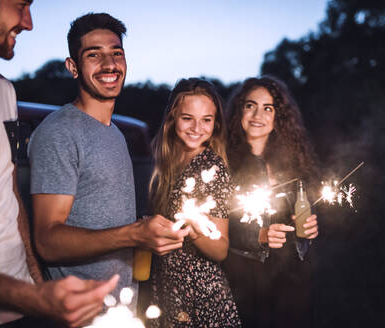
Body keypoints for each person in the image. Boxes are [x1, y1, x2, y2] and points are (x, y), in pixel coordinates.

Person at [0, 1, 119, 327]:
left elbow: (10, 194)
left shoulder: (3, 91)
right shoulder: (59, 131)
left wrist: (37, 286)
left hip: (26, 308)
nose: (28, 23)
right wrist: (29, 296)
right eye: (20, 5)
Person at [28, 13, 189, 309]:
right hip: (80, 311)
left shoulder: (114, 132)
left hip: (119, 307)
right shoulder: (59, 132)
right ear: (73, 67)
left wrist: (141, 228)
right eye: (94, 55)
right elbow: (48, 241)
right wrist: (133, 233)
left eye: (117, 53)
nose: (109, 65)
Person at [222, 76, 320, 328]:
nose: (258, 115)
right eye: (250, 105)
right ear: (238, 110)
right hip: (244, 279)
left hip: (291, 279)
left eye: (268, 108)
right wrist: (258, 235)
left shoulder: (295, 160)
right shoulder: (221, 161)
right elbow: (213, 224)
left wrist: (310, 228)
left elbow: (308, 206)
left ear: (279, 116)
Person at [147, 78, 241, 327]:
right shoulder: (165, 161)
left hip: (200, 295)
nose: (196, 128)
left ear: (215, 123)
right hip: (167, 288)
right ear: (172, 118)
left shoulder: (212, 168)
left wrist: (193, 225)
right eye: (187, 118)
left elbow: (220, 249)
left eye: (206, 119)